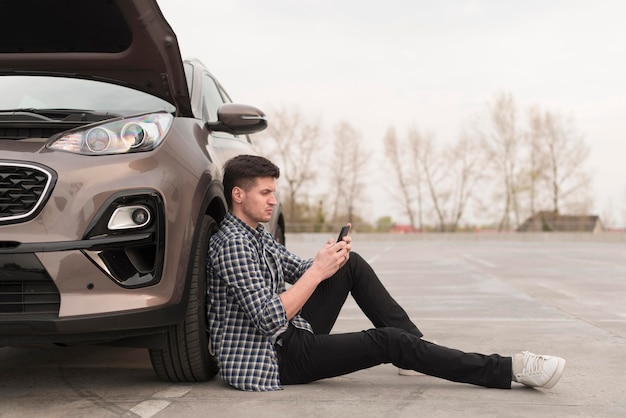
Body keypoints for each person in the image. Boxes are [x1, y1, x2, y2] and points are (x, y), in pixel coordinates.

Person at [206, 154, 566, 392]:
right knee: (389, 341)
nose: (273, 200)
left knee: (352, 264)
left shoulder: (255, 235)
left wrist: (330, 258)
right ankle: (508, 369)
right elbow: (270, 317)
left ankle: (415, 351)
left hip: (289, 335)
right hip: (273, 358)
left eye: (274, 192)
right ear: (238, 194)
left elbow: (301, 270)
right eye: (265, 193)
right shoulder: (233, 244)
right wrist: (316, 272)